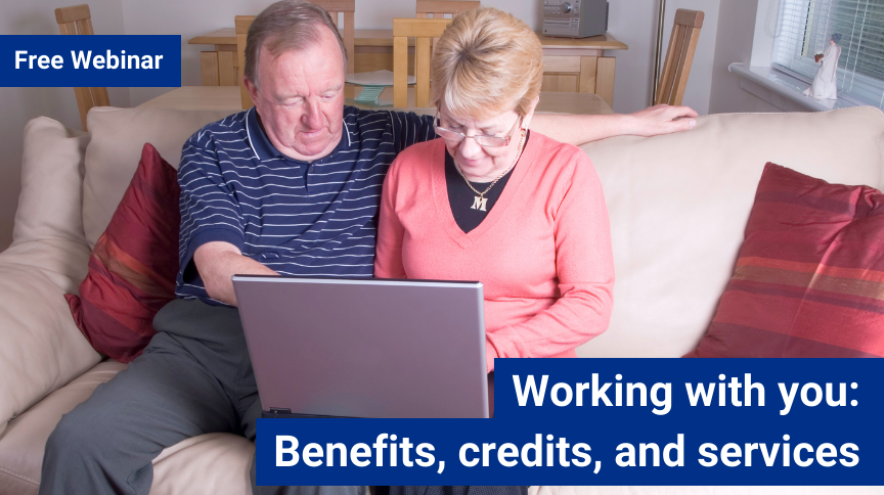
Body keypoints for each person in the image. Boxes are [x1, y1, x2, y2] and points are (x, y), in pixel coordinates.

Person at [39, 1, 697, 494]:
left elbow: (488, 120)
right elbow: (217, 270)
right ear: (253, 91)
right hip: (207, 343)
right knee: (79, 439)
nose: (316, 117)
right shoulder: (213, 148)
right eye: (291, 98)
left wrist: (630, 122)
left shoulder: (391, 136)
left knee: (325, 459)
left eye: (329, 92)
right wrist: (330, 311)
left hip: (321, 358)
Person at [374, 5, 612, 381]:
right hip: (432, 370)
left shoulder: (566, 172)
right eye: (451, 124)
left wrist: (493, 352)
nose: (468, 149)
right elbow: (389, 292)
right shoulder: (407, 170)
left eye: (489, 132)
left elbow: (591, 304)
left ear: (528, 111)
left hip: (531, 374)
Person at [803, 33, 841, 100]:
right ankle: (817, 91)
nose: (830, 40)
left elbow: (828, 57)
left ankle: (822, 93)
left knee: (822, 78)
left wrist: (821, 58)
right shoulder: (829, 47)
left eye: (831, 39)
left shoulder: (833, 49)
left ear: (834, 41)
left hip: (827, 67)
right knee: (819, 78)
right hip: (824, 65)